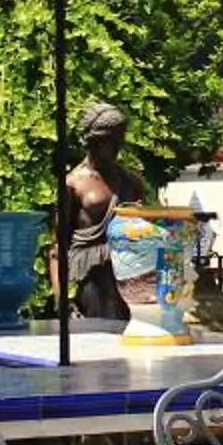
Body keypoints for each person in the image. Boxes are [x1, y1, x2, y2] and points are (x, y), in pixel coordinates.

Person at [57, 101, 147, 322]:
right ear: (93, 142)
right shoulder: (73, 183)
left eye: (120, 141)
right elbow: (58, 245)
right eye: (111, 142)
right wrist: (61, 298)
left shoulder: (130, 181)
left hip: (127, 274)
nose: (117, 148)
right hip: (90, 275)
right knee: (96, 335)